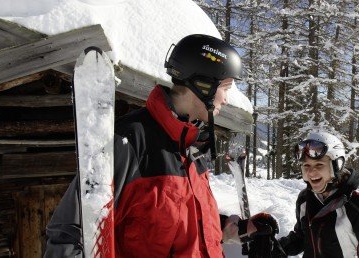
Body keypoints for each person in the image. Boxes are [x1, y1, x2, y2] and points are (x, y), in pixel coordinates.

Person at [44, 34, 276, 257]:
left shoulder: (192, 147)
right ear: (203, 85)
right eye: (225, 87)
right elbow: (69, 233)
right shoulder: (130, 142)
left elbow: (189, 225)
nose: (226, 99)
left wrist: (241, 228)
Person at [274, 131, 359, 258]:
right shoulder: (305, 199)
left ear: (337, 164)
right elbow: (302, 237)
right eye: (306, 165)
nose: (311, 172)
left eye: (319, 164)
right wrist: (276, 247)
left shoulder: (357, 204)